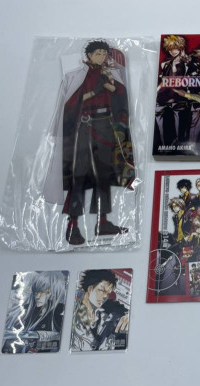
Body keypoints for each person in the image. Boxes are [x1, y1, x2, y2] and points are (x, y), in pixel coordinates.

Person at [43, 40, 132, 246]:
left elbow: (121, 98)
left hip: (106, 127)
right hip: (84, 128)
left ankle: (102, 222)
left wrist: (111, 86)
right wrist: (93, 92)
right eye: (98, 53)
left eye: (104, 54)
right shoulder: (75, 76)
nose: (102, 57)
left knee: (103, 175)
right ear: (89, 55)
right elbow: (70, 104)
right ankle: (73, 224)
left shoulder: (109, 74)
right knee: (80, 175)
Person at [2, 271, 67, 354]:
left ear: (55, 293)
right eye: (37, 291)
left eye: (45, 292)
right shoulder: (26, 310)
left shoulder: (59, 314)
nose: (37, 296)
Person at [70, 270, 129, 351]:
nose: (105, 296)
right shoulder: (72, 311)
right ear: (90, 289)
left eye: (108, 293)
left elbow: (125, 311)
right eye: (102, 290)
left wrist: (127, 317)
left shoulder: (108, 309)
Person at [155, 35, 192, 146]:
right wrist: (156, 90)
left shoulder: (186, 62)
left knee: (180, 125)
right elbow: (163, 80)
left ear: (180, 48)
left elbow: (190, 75)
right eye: (170, 49)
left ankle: (179, 144)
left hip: (179, 96)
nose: (172, 51)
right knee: (161, 123)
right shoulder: (165, 64)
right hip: (164, 96)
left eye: (175, 48)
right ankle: (164, 145)